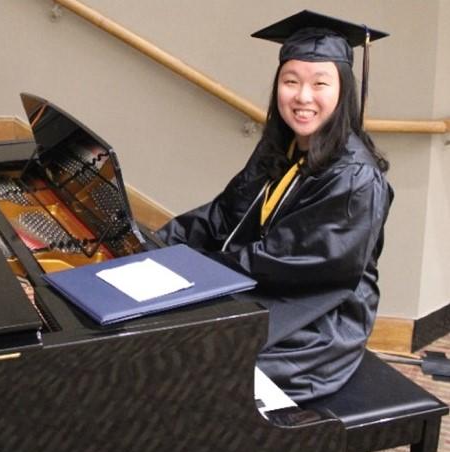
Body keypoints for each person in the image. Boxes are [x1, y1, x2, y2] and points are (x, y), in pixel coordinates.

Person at [156, 10, 394, 402]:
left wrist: (193, 269)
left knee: (192, 362)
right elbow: (223, 216)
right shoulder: (281, 148)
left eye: (320, 83)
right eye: (290, 81)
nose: (302, 97)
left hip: (314, 321)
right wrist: (159, 241)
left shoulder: (354, 178)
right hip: (263, 289)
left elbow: (287, 262)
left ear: (343, 91)